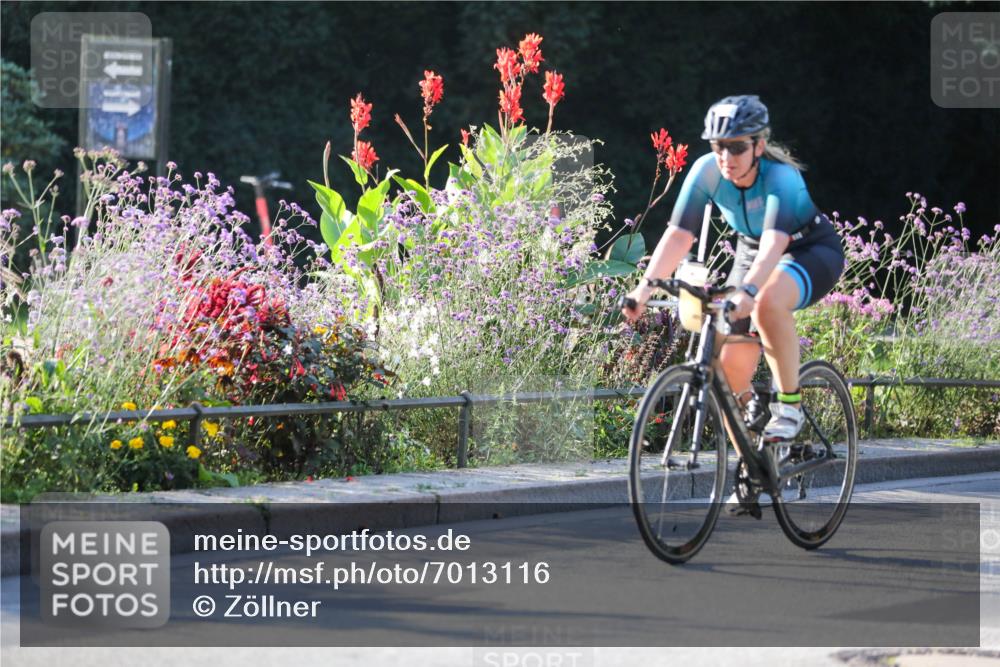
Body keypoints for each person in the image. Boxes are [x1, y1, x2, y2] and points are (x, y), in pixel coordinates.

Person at [622, 94, 845, 444]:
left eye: (737, 147)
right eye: (718, 146)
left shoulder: (781, 177)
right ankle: (750, 477)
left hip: (808, 248)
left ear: (759, 145)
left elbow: (775, 243)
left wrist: (750, 292)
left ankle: (789, 407)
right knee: (727, 372)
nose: (726, 158)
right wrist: (644, 290)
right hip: (752, 249)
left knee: (768, 301)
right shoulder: (707, 170)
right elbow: (679, 235)